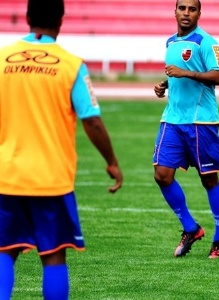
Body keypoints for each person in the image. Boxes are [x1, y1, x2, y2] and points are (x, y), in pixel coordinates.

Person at [0, 0, 124, 298]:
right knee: (53, 254)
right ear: (61, 20)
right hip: (50, 179)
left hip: (7, 175)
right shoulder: (71, 65)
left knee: (4, 250)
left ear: (27, 17)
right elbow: (91, 121)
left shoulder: (2, 59)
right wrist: (112, 162)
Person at [152, 0, 219, 259]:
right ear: (174, 11)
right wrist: (165, 84)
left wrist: (186, 73)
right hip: (172, 119)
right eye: (182, 8)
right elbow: (178, 76)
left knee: (209, 179)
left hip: (201, 121)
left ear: (199, 13)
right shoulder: (170, 42)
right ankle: (191, 228)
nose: (186, 13)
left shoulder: (206, 42)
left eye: (192, 9)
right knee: (162, 175)